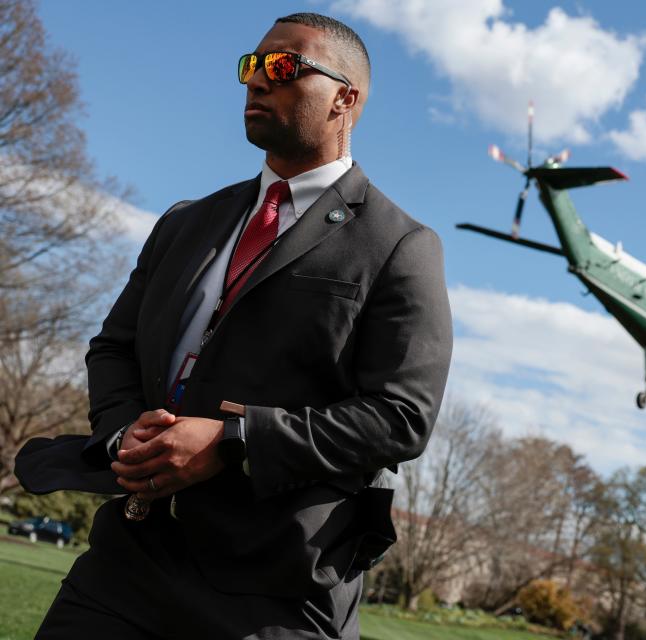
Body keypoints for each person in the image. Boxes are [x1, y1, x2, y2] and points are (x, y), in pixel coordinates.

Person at [29, 12, 453, 639]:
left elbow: (401, 416)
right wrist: (124, 436)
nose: (256, 82)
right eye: (250, 66)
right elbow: (113, 348)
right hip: (126, 565)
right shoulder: (184, 222)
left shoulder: (401, 246)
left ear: (345, 97)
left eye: (283, 67)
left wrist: (235, 442)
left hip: (277, 589)